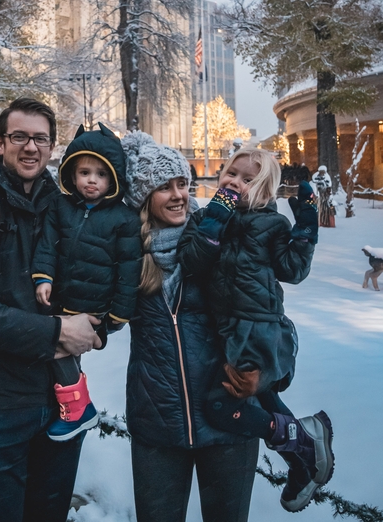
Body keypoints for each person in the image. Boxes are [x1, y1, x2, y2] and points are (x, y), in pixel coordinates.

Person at [0, 98, 101, 522]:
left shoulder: (63, 206)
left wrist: (98, 323)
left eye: (40, 139)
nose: (31, 147)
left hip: (61, 399)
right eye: (20, 137)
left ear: (51, 147)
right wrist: (59, 334)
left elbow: (93, 274)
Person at [178, 148, 334, 514]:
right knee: (260, 399)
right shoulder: (207, 219)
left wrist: (307, 222)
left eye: (248, 180)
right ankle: (303, 450)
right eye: (231, 174)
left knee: (221, 403)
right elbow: (191, 263)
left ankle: (302, 444)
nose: (235, 182)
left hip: (259, 329)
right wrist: (214, 219)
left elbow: (293, 269)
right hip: (229, 330)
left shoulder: (271, 224)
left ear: (264, 193)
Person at [121, 131, 259, 522]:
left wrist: (264, 377)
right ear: (143, 197)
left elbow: (273, 323)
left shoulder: (223, 237)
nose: (179, 194)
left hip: (228, 417)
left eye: (182, 182)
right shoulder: (128, 254)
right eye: (164, 187)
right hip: (157, 427)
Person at [32, 122, 142, 441]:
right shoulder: (61, 207)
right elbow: (46, 245)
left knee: (61, 350)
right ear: (71, 174)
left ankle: (79, 409)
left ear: (114, 178)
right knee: (57, 351)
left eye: (100, 173)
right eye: (84, 172)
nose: (91, 180)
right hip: (59, 299)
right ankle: (69, 404)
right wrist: (43, 278)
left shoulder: (123, 220)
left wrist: (120, 314)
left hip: (93, 306)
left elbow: (129, 270)